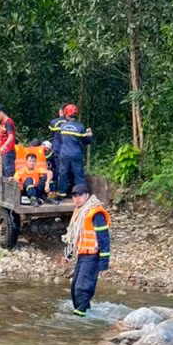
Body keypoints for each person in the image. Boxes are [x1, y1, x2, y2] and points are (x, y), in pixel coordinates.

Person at [61, 184, 110, 317]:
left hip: (93, 256)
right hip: (82, 256)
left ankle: (80, 320)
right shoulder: (79, 212)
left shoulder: (95, 213)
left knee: (81, 289)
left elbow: (104, 239)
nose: (77, 199)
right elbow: (73, 236)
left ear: (87, 196)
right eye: (75, 196)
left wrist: (104, 264)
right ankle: (86, 312)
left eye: (80, 196)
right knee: (74, 288)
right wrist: (67, 254)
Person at [58, 104, 92, 197]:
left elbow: (62, 139)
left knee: (63, 173)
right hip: (76, 154)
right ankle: (82, 195)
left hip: (64, 154)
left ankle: (61, 194)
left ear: (66, 114)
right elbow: (87, 141)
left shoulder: (62, 126)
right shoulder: (80, 127)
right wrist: (89, 135)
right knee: (78, 175)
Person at [48, 106, 66, 191]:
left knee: (59, 170)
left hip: (58, 149)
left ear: (60, 111)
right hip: (68, 150)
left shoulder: (54, 122)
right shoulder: (71, 123)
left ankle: (58, 191)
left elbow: (52, 134)